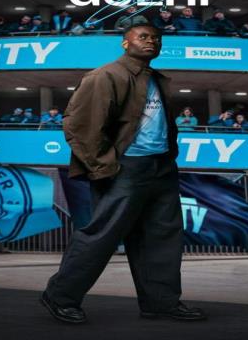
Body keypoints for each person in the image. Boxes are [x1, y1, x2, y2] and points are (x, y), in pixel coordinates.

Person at [41, 23, 206, 324]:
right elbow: (80, 125)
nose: (151, 41)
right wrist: (103, 166)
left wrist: (167, 160)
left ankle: (160, 303)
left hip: (160, 167)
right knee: (101, 235)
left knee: (161, 237)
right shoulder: (105, 76)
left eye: (156, 38)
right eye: (143, 37)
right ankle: (60, 296)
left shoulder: (156, 78)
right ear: (125, 43)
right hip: (125, 167)